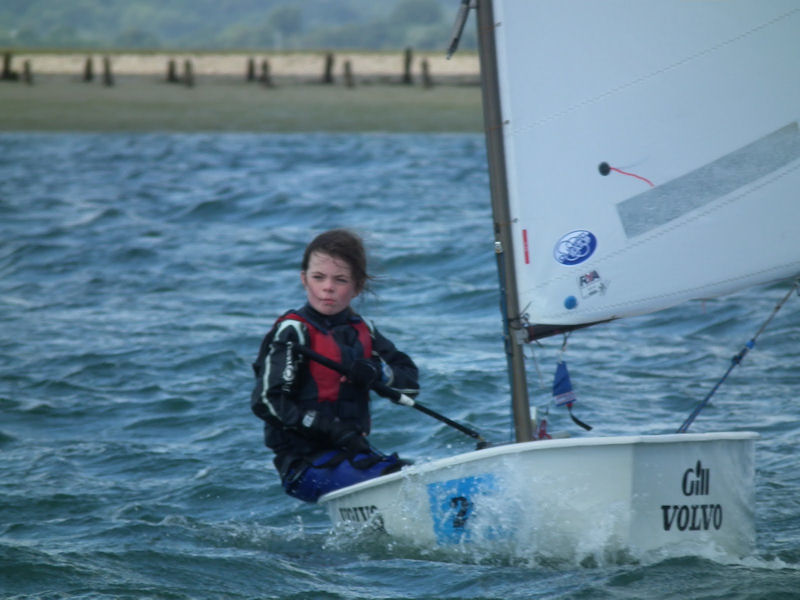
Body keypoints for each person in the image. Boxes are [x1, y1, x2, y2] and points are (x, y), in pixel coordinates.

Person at [251, 229, 419, 503]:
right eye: (319, 278)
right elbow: (266, 401)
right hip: (303, 464)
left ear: (358, 286)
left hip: (353, 455)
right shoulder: (293, 332)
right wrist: (330, 429)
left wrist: (376, 372)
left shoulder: (364, 330)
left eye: (340, 280)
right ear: (304, 279)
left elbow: (409, 384)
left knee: (413, 477)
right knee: (402, 488)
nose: (328, 287)